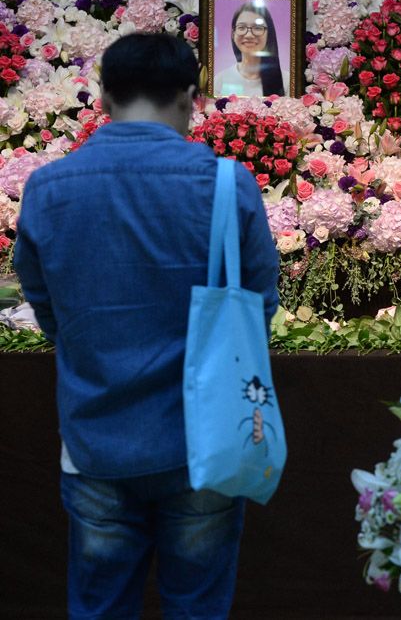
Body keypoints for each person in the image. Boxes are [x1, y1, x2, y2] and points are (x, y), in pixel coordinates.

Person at [13, 33, 280, 619]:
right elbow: (259, 303)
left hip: (95, 439)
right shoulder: (226, 184)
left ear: (104, 97)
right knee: (197, 608)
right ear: (189, 98)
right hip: (206, 442)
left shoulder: (48, 189)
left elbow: (44, 303)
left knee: (101, 607)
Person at [213, 0, 287, 97]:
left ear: (269, 33)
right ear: (233, 34)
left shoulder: (286, 81)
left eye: (257, 28)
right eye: (241, 27)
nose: (249, 35)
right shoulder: (220, 80)